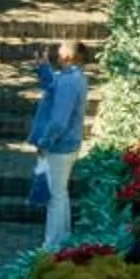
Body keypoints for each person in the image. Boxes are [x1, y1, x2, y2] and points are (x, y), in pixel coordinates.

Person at [28, 39, 91, 254]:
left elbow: (58, 121)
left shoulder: (68, 82)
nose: (57, 51)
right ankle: (63, 238)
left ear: (68, 56)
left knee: (54, 197)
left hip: (59, 147)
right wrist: (44, 68)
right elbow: (52, 87)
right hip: (69, 145)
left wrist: (44, 143)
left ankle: (51, 247)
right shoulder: (73, 77)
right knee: (60, 193)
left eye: (60, 49)